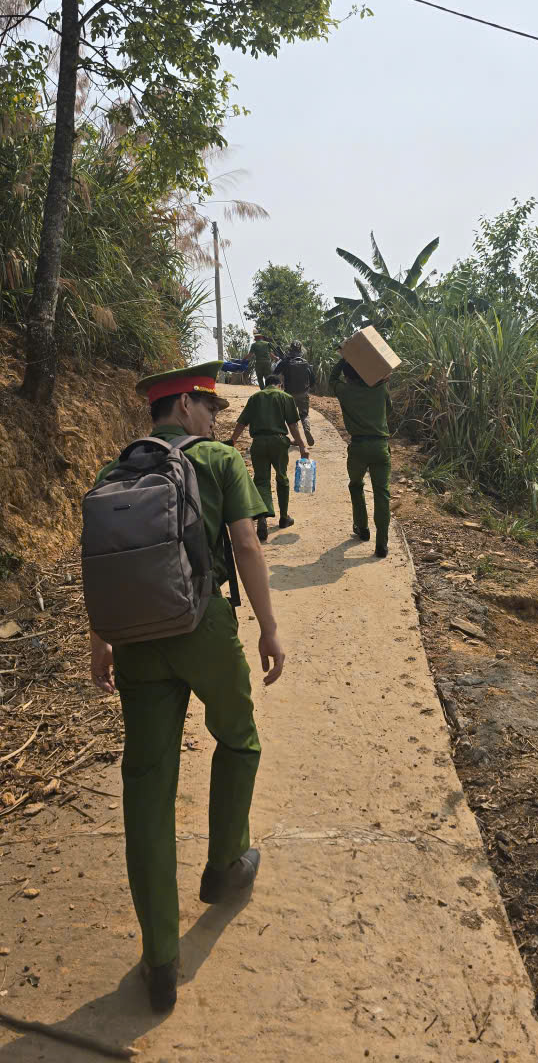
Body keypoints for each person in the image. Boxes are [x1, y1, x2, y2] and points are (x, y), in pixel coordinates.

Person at [88, 362, 284, 1013]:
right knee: (239, 738)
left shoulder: (114, 471)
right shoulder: (217, 461)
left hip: (137, 641)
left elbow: (104, 563)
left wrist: (102, 638)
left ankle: (159, 959)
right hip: (203, 626)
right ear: (182, 406)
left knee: (146, 789)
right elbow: (246, 545)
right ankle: (225, 865)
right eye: (209, 407)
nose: (216, 419)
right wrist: (268, 629)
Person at [229, 374, 308, 541]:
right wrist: (302, 445)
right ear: (279, 384)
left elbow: (242, 422)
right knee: (282, 478)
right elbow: (292, 425)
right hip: (278, 442)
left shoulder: (255, 398)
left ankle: (262, 518)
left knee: (261, 480)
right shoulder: (285, 397)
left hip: (258, 443)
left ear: (266, 384)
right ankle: (284, 517)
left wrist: (232, 441)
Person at [329, 357, 391, 558]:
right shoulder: (380, 390)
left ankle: (362, 528)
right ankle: (382, 544)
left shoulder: (345, 391)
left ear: (348, 376)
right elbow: (389, 410)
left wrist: (344, 357)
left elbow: (332, 379)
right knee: (382, 494)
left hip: (358, 447)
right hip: (380, 446)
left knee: (356, 486)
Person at [274, 340, 316, 447]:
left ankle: (297, 440)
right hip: (303, 393)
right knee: (304, 415)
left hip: (289, 395)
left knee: (292, 418)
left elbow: (274, 374)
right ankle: (307, 429)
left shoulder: (285, 362)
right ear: (300, 350)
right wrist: (307, 389)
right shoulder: (306, 363)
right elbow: (313, 380)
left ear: (290, 349)